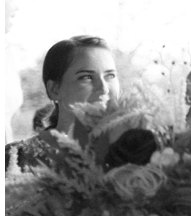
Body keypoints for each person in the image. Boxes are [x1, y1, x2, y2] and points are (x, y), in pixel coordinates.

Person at [5, 35, 121, 170]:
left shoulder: (139, 152)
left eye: (110, 76)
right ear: (54, 89)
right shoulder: (14, 158)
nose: (104, 88)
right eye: (86, 77)